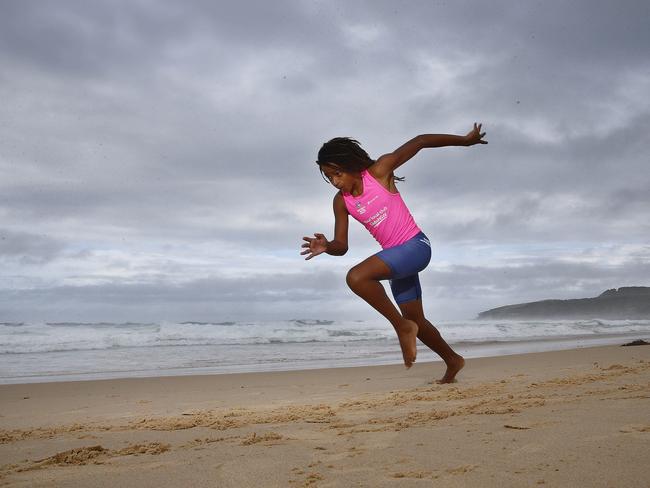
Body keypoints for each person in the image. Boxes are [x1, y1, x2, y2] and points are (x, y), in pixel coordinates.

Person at [301, 124, 487, 383]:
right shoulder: (341, 201)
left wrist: (465, 141)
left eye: (337, 173)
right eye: (329, 177)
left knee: (356, 277)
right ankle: (453, 360)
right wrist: (327, 246)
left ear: (350, 165)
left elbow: (420, 140)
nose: (335, 181)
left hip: (416, 247)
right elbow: (342, 246)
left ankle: (401, 327)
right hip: (397, 258)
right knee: (416, 320)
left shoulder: (379, 172)